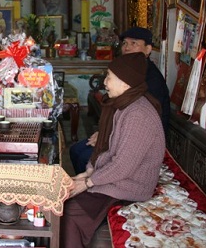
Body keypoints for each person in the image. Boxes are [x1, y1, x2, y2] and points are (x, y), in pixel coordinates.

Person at [61, 52, 166, 247]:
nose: (105, 83)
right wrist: (89, 171)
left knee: (70, 213)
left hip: (131, 185)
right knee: (64, 201)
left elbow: (122, 166)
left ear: (125, 83)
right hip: (120, 179)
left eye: (109, 77)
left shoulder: (138, 115)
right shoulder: (125, 106)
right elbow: (111, 150)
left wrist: (88, 182)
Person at [69, 26, 170, 174]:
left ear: (148, 49)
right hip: (117, 132)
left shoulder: (151, 79)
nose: (127, 48)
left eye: (134, 43)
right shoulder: (127, 69)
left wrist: (108, 137)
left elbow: (141, 124)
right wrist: (103, 132)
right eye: (125, 43)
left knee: (84, 157)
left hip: (137, 141)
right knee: (76, 150)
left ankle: (92, 189)